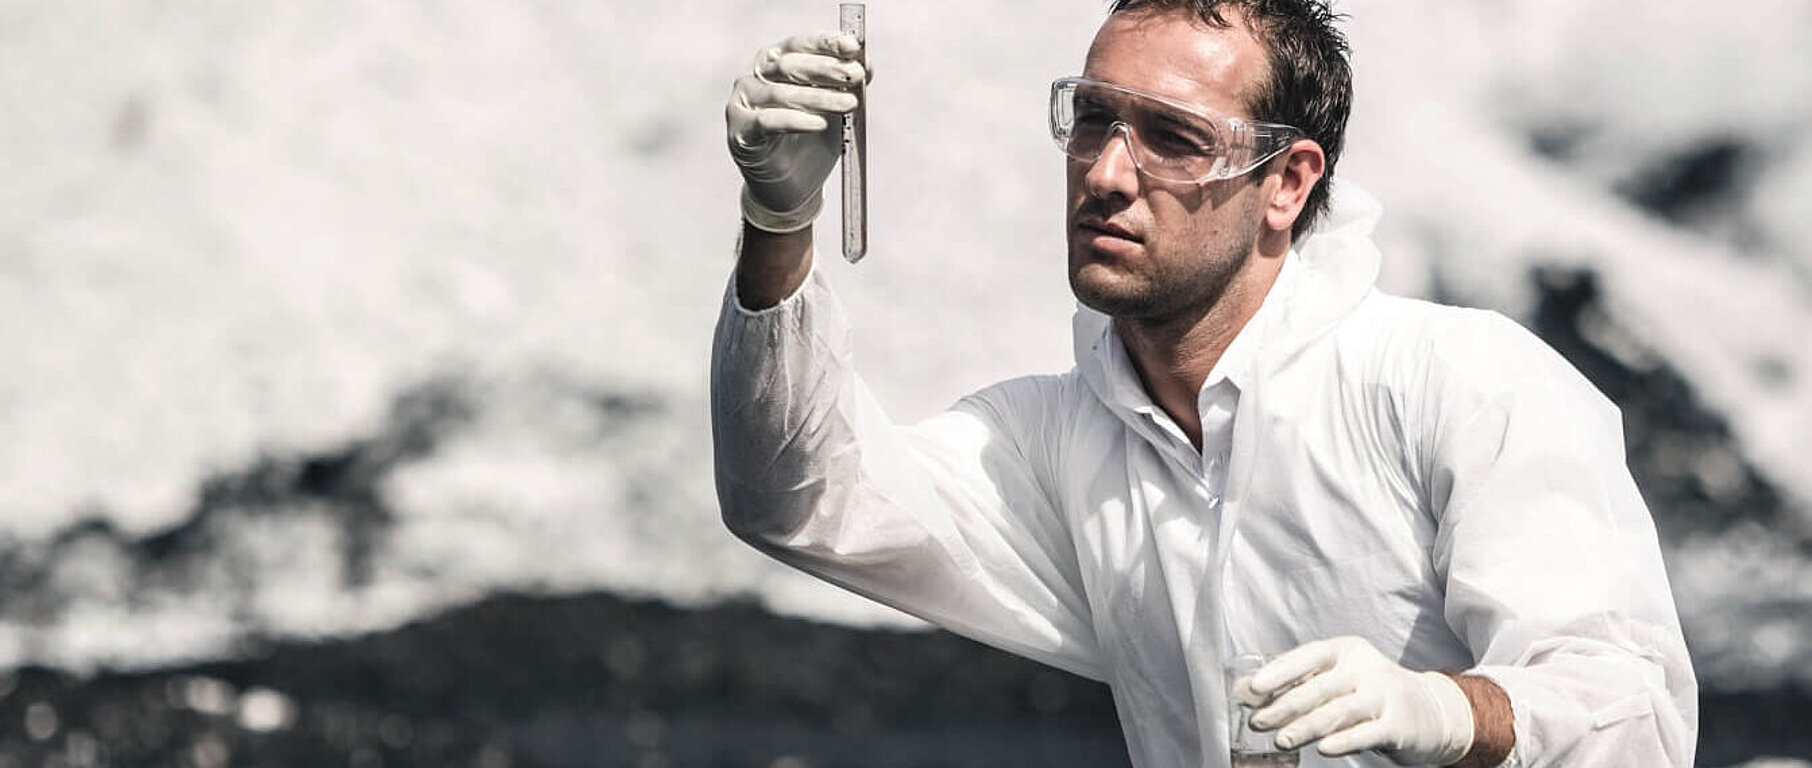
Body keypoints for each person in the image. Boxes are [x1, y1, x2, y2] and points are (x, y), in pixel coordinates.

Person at [710, 1, 1698, 766]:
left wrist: (1445, 709)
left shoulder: (1461, 384)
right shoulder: (1057, 439)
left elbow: (1640, 716)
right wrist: (779, 224)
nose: (1104, 172)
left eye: (1172, 138)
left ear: (1289, 183)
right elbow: (801, 501)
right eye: (1092, 119)